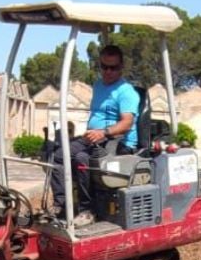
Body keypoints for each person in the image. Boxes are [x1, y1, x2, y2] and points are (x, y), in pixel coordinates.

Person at [47, 43, 142, 224]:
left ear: (121, 67)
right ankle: (63, 205)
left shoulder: (126, 92)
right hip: (94, 138)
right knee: (59, 155)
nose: (108, 71)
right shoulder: (98, 85)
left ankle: (85, 210)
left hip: (118, 142)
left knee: (78, 158)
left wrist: (103, 133)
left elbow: (127, 123)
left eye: (113, 67)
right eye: (104, 67)